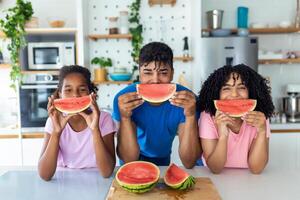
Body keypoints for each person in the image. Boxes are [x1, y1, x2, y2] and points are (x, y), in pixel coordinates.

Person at [113, 42, 202, 168]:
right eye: (148, 73)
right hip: (133, 161)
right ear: (139, 73)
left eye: (163, 73)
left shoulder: (187, 100)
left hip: (164, 159)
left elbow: (189, 162)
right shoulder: (124, 100)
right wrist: (125, 118)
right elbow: (128, 159)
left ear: (172, 73)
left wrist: (191, 116)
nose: (155, 80)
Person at [38, 65, 117, 181]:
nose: (75, 95)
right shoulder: (53, 121)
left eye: (82, 89)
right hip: (64, 181)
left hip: (96, 182)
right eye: (68, 90)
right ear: (60, 94)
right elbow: (44, 175)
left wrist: (95, 130)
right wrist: (56, 132)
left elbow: (106, 172)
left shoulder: (104, 119)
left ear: (91, 93)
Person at [197, 64, 274, 174]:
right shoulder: (208, 116)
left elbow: (256, 168)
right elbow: (215, 168)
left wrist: (262, 131)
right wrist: (223, 135)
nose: (234, 94)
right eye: (226, 88)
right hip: (217, 180)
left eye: (242, 87)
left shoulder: (259, 117)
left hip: (249, 181)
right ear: (216, 93)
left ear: (252, 91)